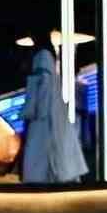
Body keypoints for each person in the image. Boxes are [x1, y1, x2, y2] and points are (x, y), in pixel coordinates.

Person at [19, 45, 88, 184]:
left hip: (41, 120)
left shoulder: (41, 63)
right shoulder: (50, 74)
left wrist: (28, 113)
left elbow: (37, 99)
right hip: (48, 120)